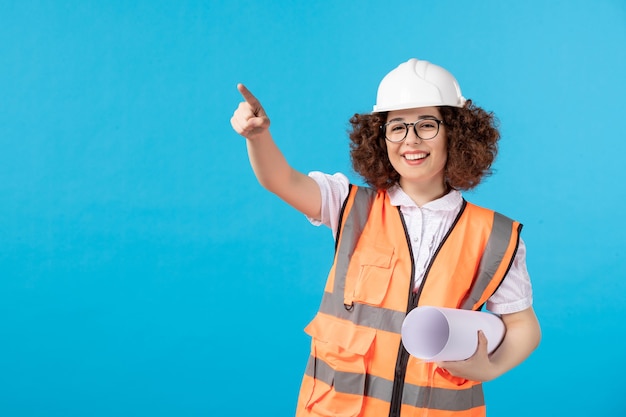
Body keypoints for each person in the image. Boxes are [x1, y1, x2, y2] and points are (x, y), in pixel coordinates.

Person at [230, 58, 541, 417]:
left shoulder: (496, 235)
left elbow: (523, 326)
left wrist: (491, 367)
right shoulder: (347, 205)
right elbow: (280, 179)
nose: (410, 140)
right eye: (397, 127)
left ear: (455, 133)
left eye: (427, 125)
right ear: (381, 137)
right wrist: (258, 137)